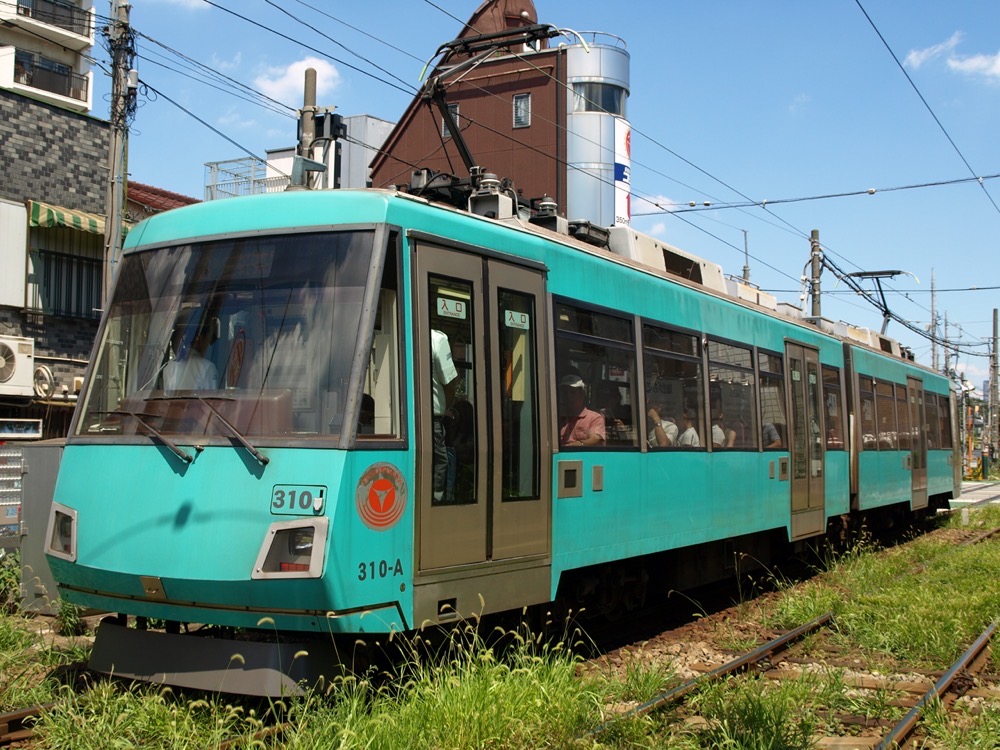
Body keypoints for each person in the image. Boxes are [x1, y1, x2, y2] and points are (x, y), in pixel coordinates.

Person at [431, 329, 459, 503]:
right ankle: (438, 501)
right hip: (433, 418)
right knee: (441, 460)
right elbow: (450, 381)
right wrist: (447, 406)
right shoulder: (438, 339)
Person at [162, 322, 218, 390]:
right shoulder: (208, 367)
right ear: (199, 339)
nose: (208, 344)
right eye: (207, 340)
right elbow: (212, 399)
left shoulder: (168, 366)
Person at [558, 375, 605, 447]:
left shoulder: (594, 418)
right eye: (564, 393)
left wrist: (579, 444)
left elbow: (595, 438)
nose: (568, 397)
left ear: (582, 394)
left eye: (572, 392)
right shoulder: (556, 417)